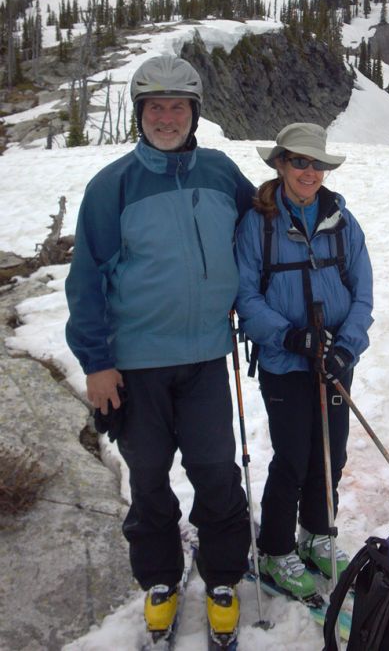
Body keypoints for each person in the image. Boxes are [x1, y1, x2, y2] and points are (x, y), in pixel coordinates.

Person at [65, 55, 254, 643]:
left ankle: (222, 574)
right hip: (136, 365)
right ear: (139, 114)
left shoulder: (221, 172)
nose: (166, 117)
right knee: (148, 478)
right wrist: (96, 362)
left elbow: (259, 231)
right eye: (155, 107)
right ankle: (159, 576)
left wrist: (316, 206)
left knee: (215, 470)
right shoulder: (112, 185)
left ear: (194, 114)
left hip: (204, 359)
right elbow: (86, 279)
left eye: (178, 106)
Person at [235, 122, 373, 600]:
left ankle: (317, 532)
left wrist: (346, 347)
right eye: (299, 161)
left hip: (335, 358)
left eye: (317, 163)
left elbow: (363, 293)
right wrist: (289, 337)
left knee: (330, 453)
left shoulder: (342, 220)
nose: (309, 172)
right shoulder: (259, 223)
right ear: (280, 163)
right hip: (285, 361)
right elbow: (246, 296)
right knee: (293, 457)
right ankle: (275, 549)